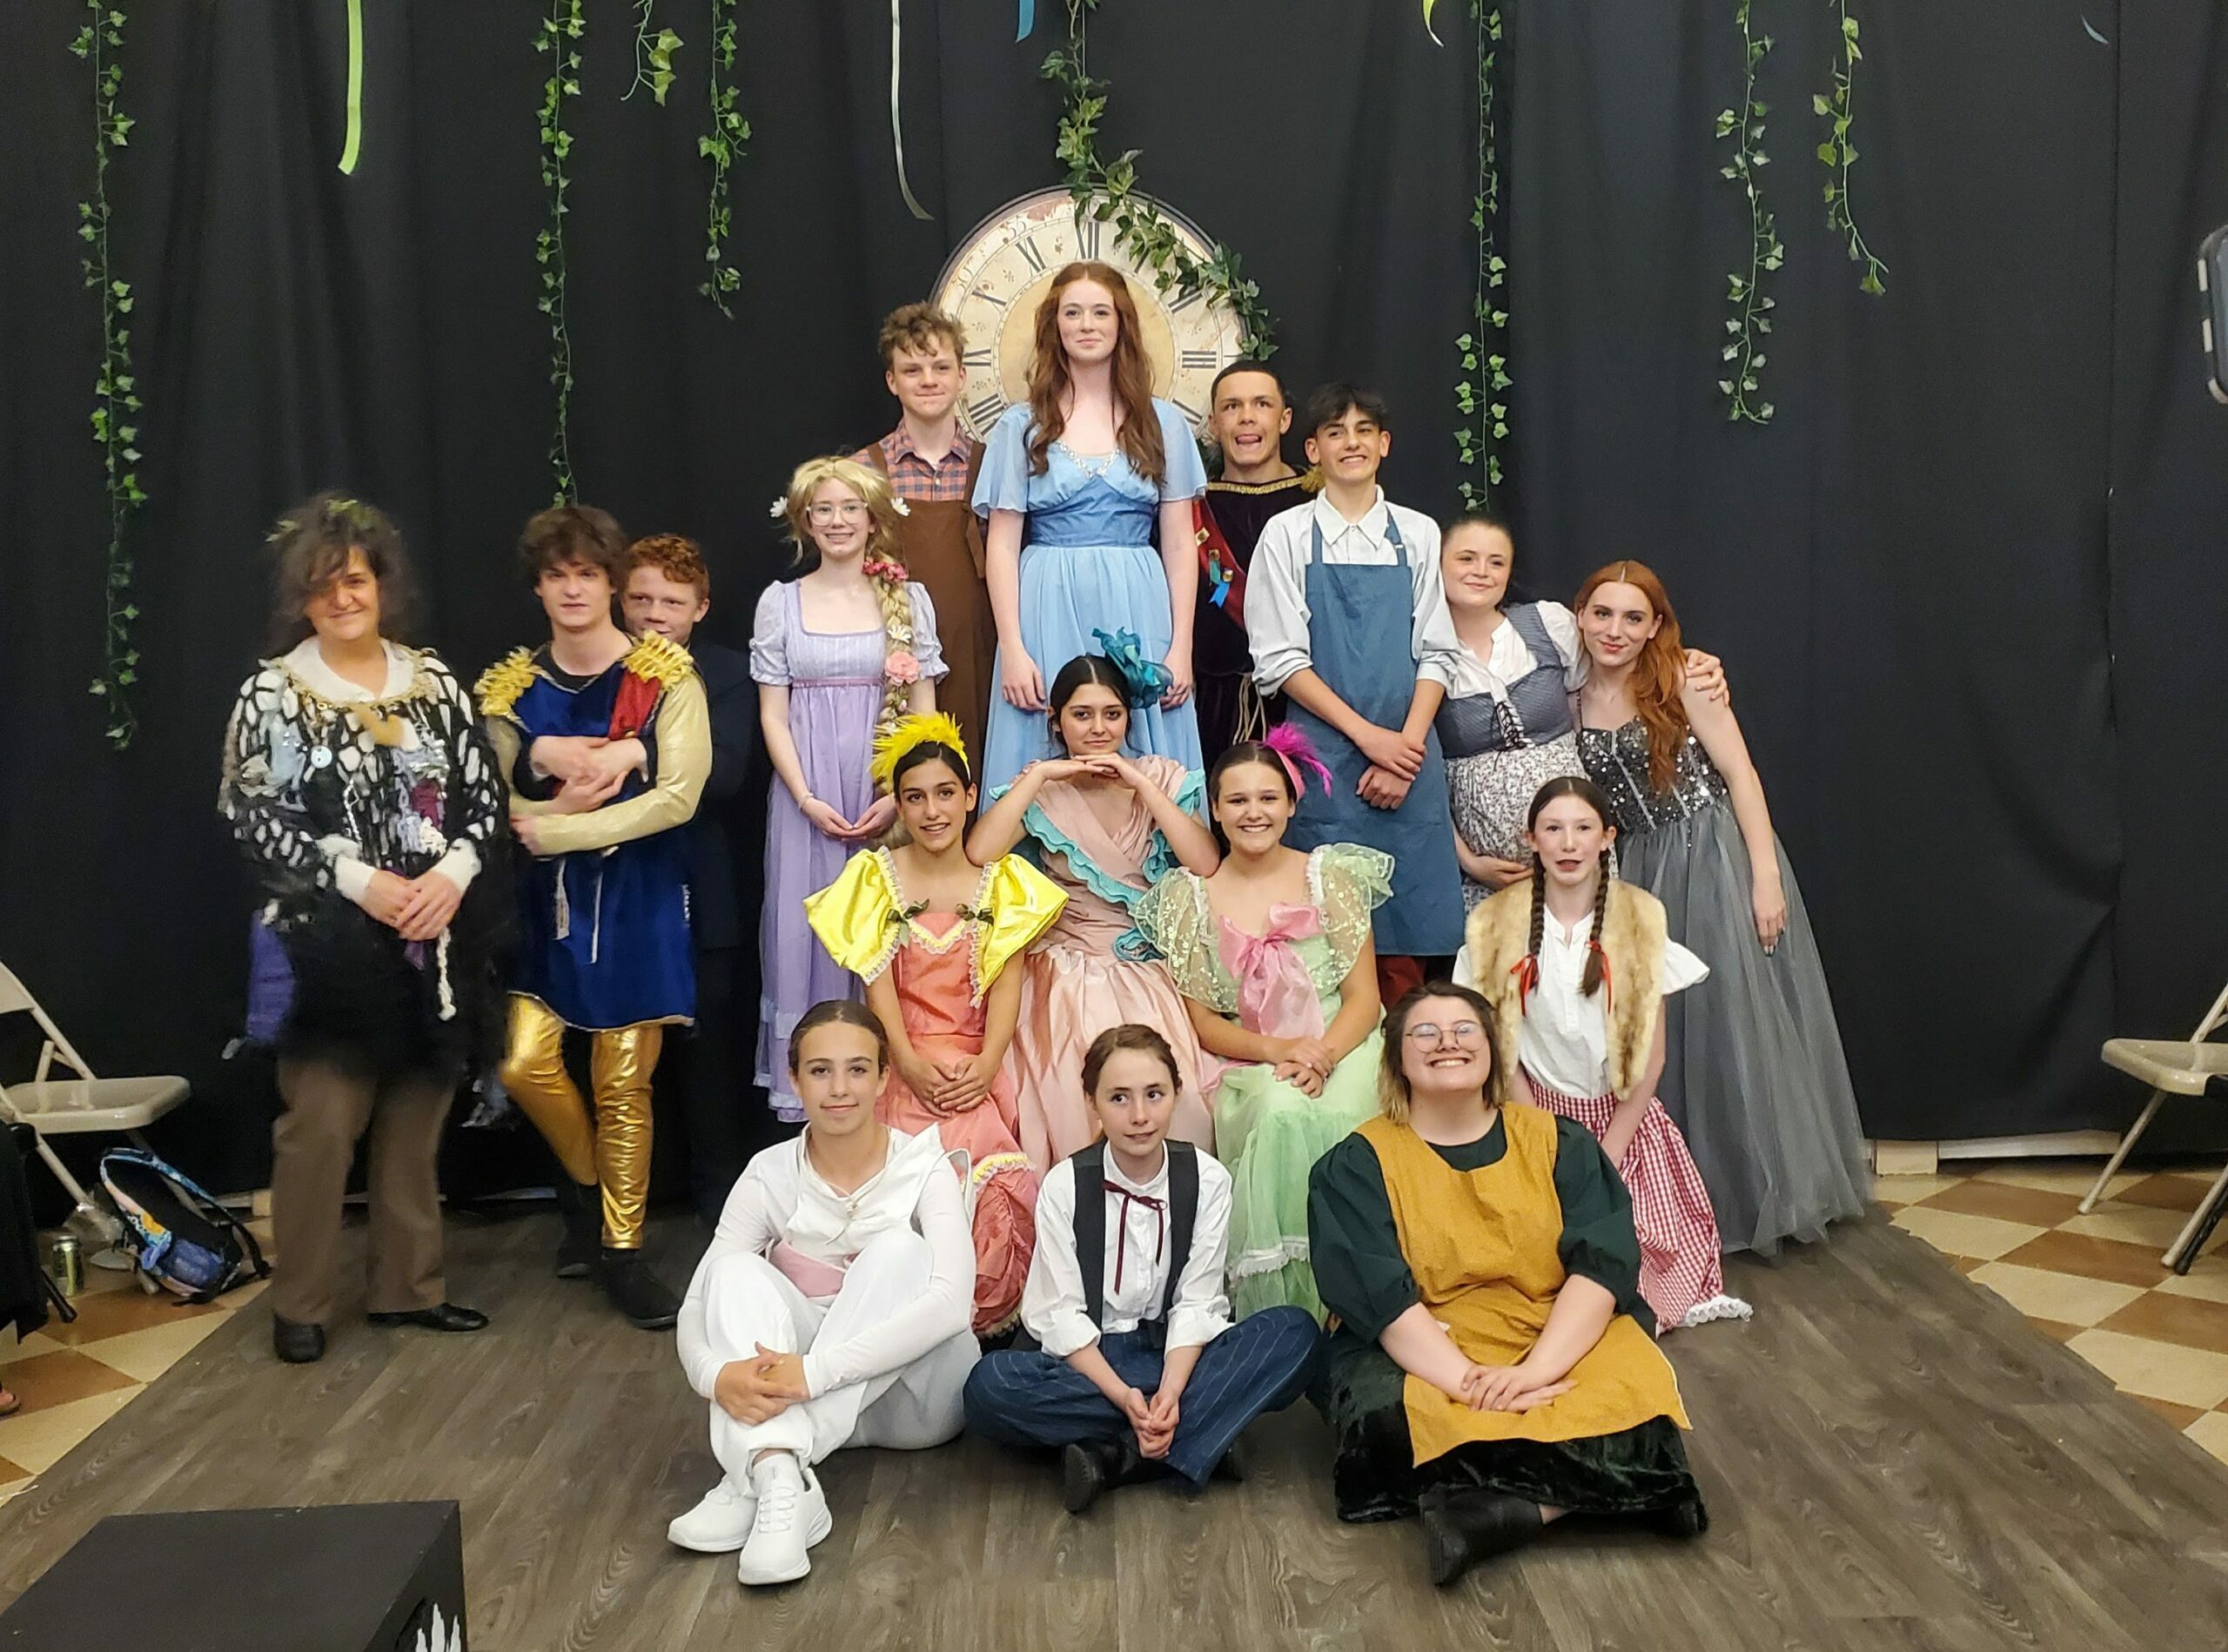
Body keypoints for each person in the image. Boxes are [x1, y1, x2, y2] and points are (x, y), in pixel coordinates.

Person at [220, 493, 504, 1363]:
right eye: (322, 586)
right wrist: (358, 879)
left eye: (354, 580)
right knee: (320, 1126)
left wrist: (450, 877)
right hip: (324, 944)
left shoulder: (437, 682)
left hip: (432, 938)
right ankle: (300, 1299)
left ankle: (407, 1289)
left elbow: (484, 801)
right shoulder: (272, 693)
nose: (342, 598)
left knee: (416, 1122)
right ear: (300, 599)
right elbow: (248, 812)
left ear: (381, 584)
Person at [1306, 985, 1706, 1587]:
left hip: (1552, 1328)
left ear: (1493, 1051)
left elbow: (1599, 1271)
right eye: (1426, 1032)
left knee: (1639, 1399)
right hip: (1425, 1339)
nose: (1447, 1043)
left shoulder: (1560, 1142)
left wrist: (1535, 1373)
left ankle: (1502, 1514)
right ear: (1395, 1060)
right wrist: (1469, 1384)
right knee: (1383, 1419)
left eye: (1465, 1030)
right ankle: (1618, 1494)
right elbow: (1383, 1300)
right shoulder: (1356, 1164)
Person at [1572, 561, 1870, 1255]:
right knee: (1664, 1037)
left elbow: (1740, 773)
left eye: (1632, 618)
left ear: (1655, 627)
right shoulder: (1570, 692)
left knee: (1734, 1023)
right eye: (1603, 614)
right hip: (1635, 870)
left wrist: (1764, 876)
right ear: (1580, 616)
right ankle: (1681, 1196)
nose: (1616, 630)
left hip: (1709, 858)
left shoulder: (1679, 679)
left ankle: (1762, 1193)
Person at [480, 504, 709, 1330]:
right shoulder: (513, 690)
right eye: (557, 575)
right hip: (544, 910)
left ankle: (622, 1248)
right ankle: (588, 1194)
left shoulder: (664, 679)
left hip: (638, 899)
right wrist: (540, 763)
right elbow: (488, 797)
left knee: (622, 1082)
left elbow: (680, 797)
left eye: (587, 573)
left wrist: (561, 828)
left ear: (612, 582)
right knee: (522, 1063)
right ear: (538, 586)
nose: (573, 589)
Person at [669, 1001, 978, 1586]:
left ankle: (753, 1471)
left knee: (900, 1252)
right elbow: (698, 1301)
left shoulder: (924, 1166)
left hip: (913, 1404)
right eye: (820, 1071)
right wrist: (714, 1377)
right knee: (732, 1272)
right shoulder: (768, 1171)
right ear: (794, 1079)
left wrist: (813, 1374)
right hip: (804, 1401)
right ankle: (779, 1476)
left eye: (858, 1070)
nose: (840, 1089)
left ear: (885, 1078)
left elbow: (950, 1304)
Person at [962, 1025, 1319, 1511]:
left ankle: (1118, 1457)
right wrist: (1125, 1398)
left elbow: (1197, 1302)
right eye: (1119, 1098)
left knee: (1295, 1332)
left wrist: (1169, 1390)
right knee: (988, 1388)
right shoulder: (1065, 1185)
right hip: (1090, 1365)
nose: (1139, 1116)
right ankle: (1203, 1430)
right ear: (1093, 1103)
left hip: (1175, 1357)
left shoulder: (1207, 1179)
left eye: (1154, 1095)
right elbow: (1059, 1316)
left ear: (1176, 1092)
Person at [802, 714, 1064, 1336]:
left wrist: (986, 1065)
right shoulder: (875, 877)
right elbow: (879, 985)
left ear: (970, 797)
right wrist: (910, 1065)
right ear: (899, 805)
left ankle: (981, 1323)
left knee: (991, 1178)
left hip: (980, 1063)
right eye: (914, 798)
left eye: (946, 794)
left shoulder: (1003, 881)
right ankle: (901, 1324)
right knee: (898, 1190)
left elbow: (1008, 982)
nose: (932, 812)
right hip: (903, 1061)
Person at [1459, 778, 1749, 1330]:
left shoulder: (1639, 921)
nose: (1569, 844)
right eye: (1553, 829)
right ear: (1533, 839)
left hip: (1621, 1122)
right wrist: (1543, 1138)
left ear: (1606, 838)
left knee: (1629, 1268)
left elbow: (1652, 1055)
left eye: (1583, 828)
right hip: (1537, 1117)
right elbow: (1505, 1048)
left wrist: (1607, 1150)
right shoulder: (1496, 927)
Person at [1135, 729, 1388, 1319]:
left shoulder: (1332, 875)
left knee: (1342, 1114)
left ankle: (1361, 1294)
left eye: (1269, 798)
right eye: (1239, 800)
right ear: (1216, 811)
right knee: (1280, 1114)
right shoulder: (1188, 897)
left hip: (1344, 1044)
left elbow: (1363, 997)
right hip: (1253, 1057)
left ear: (1292, 804)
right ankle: (1289, 1309)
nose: (1255, 812)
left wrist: (1322, 1053)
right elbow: (1202, 1020)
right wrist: (1277, 1050)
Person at [1248, 386, 1464, 1005]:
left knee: (1406, 949)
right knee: (1322, 938)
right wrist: (1370, 740)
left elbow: (1439, 651)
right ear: (1313, 448)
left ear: (1384, 445)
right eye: (1336, 433)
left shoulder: (1419, 534)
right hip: (1322, 763)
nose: (1352, 443)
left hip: (1409, 757)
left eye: (1364, 430)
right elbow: (1281, 659)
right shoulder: (1286, 535)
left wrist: (1406, 751)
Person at [967, 655, 1219, 1166]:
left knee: (1179, 1092)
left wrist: (1141, 784)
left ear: (1129, 718)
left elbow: (1206, 862)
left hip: (1149, 965)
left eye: (1112, 714)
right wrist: (1039, 778)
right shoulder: (1043, 787)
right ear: (1056, 722)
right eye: (1082, 715)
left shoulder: (1162, 776)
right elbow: (980, 852)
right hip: (1069, 967)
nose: (1099, 728)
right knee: (1079, 1082)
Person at [754, 456, 946, 1124]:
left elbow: (926, 714)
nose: (837, 522)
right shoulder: (781, 602)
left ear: (873, 518)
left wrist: (901, 795)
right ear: (805, 520)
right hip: (810, 801)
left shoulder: (908, 600)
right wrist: (806, 797)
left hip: (886, 797)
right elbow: (773, 714)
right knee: (810, 938)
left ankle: (889, 1091)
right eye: (823, 510)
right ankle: (820, 1101)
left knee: (888, 934)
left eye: (850, 509)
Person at [973, 260, 1207, 792]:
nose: (1086, 324)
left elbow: (1177, 542)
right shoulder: (1020, 425)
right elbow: (1003, 545)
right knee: (1045, 736)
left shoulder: (1163, 422)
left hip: (1140, 603)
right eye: (1072, 312)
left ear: (1122, 322)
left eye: (1100, 312)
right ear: (1054, 325)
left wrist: (1180, 648)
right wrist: (1013, 648)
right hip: (1045, 605)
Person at [1439, 514, 1729, 908]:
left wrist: (1688, 662)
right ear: (1438, 564)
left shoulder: (1546, 626)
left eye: (1496, 562)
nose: (1481, 572)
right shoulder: (1421, 655)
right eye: (1466, 559)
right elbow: (1422, 777)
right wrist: (1469, 861)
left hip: (1582, 861)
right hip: (1488, 880)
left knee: (1597, 962)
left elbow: (1616, 652)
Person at [623, 534, 761, 1221]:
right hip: (612, 892)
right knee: (615, 1062)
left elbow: (724, 774)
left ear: (701, 608)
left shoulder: (729, 673)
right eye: (641, 598)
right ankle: (607, 1215)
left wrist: (619, 755)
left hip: (703, 891)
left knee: (708, 1062)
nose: (655, 614)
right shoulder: (594, 670)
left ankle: (720, 1206)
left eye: (672, 602)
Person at [855, 303, 996, 769]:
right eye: (911, 370)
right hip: (892, 652)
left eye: (940, 367)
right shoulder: (864, 470)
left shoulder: (992, 466)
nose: (928, 379)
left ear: (961, 376)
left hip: (979, 650)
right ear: (892, 382)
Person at [1193, 360, 1317, 760]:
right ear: (1214, 423)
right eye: (1231, 407)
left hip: (1307, 700)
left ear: (1284, 419)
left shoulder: (1319, 501)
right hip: (1212, 705)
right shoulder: (1190, 508)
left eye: (1261, 404)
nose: (1246, 417)